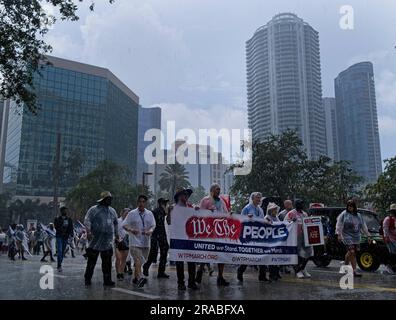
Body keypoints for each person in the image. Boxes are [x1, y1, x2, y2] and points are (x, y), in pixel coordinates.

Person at [84, 191, 119, 287]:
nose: (110, 201)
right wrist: (89, 231)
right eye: (108, 199)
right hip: (95, 240)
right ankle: (88, 278)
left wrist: (117, 236)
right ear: (103, 200)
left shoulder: (112, 211)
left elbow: (116, 223)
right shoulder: (94, 210)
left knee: (107, 263)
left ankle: (107, 280)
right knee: (91, 261)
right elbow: (87, 220)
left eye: (110, 199)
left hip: (107, 241)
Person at [199, 184, 230, 286]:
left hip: (220, 232)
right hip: (208, 232)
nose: (219, 191)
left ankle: (220, 277)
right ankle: (199, 271)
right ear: (212, 190)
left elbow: (226, 213)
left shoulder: (221, 201)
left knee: (221, 254)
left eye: (219, 189)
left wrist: (230, 215)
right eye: (217, 189)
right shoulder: (205, 200)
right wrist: (208, 212)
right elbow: (199, 214)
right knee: (207, 253)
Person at [122, 195, 156, 288]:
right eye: (140, 202)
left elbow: (153, 225)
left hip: (145, 242)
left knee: (141, 261)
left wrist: (150, 231)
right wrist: (131, 229)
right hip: (134, 242)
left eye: (143, 202)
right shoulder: (132, 213)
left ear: (146, 203)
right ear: (137, 203)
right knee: (137, 259)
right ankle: (141, 278)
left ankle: (135, 278)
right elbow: (124, 225)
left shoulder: (150, 214)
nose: (141, 203)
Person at [237, 192, 271, 283]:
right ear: (252, 198)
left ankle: (262, 276)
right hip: (249, 236)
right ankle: (240, 271)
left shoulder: (260, 209)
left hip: (258, 235)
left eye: (260, 198)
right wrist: (247, 218)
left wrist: (266, 221)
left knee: (261, 255)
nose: (259, 200)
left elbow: (262, 221)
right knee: (249, 255)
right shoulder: (247, 208)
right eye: (257, 198)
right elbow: (241, 220)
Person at [335, 199, 371, 277]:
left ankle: (344, 267)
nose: (350, 208)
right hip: (346, 235)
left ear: (354, 207)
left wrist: (368, 235)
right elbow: (339, 224)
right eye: (349, 206)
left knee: (351, 253)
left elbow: (363, 226)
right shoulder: (344, 214)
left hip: (356, 236)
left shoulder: (358, 215)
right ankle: (354, 270)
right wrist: (339, 234)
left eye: (351, 206)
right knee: (352, 252)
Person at [173, 188, 199, 290]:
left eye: (186, 195)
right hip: (178, 238)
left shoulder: (191, 207)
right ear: (178, 197)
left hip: (189, 238)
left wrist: (197, 210)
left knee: (192, 261)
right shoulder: (174, 208)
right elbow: (169, 222)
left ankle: (191, 282)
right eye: (183, 195)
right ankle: (180, 283)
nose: (185, 196)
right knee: (179, 262)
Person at [285, 199, 313, 279]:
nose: (301, 205)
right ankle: (298, 271)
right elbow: (285, 223)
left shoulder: (304, 213)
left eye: (302, 204)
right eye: (299, 204)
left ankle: (303, 268)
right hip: (295, 236)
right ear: (296, 205)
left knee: (308, 253)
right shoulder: (291, 213)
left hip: (305, 236)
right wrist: (291, 221)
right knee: (297, 254)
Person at [143, 198, 170, 279]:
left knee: (164, 250)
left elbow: (167, 214)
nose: (166, 205)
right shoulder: (155, 211)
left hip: (161, 234)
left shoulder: (162, 211)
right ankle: (146, 266)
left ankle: (161, 272)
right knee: (154, 252)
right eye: (165, 203)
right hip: (156, 234)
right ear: (161, 204)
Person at [264, 202, 282, 281]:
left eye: (276, 209)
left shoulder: (276, 217)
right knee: (271, 258)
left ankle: (276, 273)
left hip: (277, 240)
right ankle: (272, 274)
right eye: (274, 210)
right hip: (270, 241)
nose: (276, 211)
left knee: (277, 258)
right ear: (271, 210)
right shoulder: (267, 217)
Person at [54, 206, 74, 272]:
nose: (65, 212)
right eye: (64, 210)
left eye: (66, 210)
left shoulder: (69, 219)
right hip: (59, 236)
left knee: (62, 252)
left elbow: (71, 228)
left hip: (65, 237)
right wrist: (62, 227)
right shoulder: (57, 219)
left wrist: (71, 235)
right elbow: (56, 227)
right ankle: (59, 266)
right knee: (59, 251)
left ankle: (59, 264)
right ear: (61, 211)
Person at [115, 208, 130, 281]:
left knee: (124, 259)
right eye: (126, 213)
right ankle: (118, 273)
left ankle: (121, 273)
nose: (127, 214)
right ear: (122, 213)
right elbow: (114, 230)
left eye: (128, 213)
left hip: (126, 241)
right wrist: (117, 238)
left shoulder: (129, 222)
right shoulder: (118, 221)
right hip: (117, 240)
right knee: (118, 258)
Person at [383, 204, 396, 274]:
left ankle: (393, 266)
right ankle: (388, 266)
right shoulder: (388, 219)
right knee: (392, 253)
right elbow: (385, 229)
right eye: (393, 211)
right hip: (391, 239)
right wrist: (386, 237)